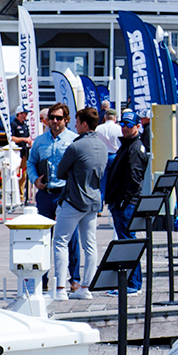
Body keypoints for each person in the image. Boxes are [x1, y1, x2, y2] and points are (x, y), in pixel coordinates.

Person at [54, 107, 107, 301]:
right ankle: (86, 287)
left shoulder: (75, 146)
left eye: (77, 122)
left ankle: (60, 288)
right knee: (90, 245)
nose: (74, 125)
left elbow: (60, 173)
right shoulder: (102, 146)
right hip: (93, 201)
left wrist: (72, 172)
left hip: (74, 201)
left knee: (60, 241)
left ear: (84, 124)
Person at [28, 104, 75, 287]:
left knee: (69, 238)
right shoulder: (40, 141)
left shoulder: (73, 140)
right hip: (46, 193)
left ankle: (73, 279)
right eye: (52, 118)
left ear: (66, 120)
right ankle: (44, 278)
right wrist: (34, 179)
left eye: (59, 118)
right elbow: (31, 163)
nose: (54, 121)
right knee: (44, 237)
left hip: (66, 193)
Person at [103, 109, 149, 293]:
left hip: (125, 204)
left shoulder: (135, 148)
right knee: (126, 241)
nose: (124, 128)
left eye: (129, 125)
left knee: (128, 242)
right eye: (122, 124)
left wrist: (123, 202)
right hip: (121, 202)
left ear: (137, 127)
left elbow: (134, 180)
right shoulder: (127, 145)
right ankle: (131, 282)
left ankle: (133, 283)